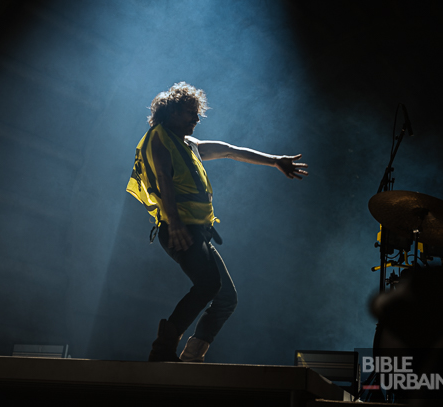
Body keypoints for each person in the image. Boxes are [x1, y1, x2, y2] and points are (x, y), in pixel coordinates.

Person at [126, 82, 308, 362]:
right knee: (210, 285)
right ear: (172, 112)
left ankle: (191, 357)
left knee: (226, 299)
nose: (196, 120)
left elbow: (229, 151)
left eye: (197, 114)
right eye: (190, 113)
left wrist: (274, 161)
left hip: (197, 232)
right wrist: (174, 223)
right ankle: (162, 349)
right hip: (180, 230)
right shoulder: (158, 138)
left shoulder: (189, 145)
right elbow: (163, 179)